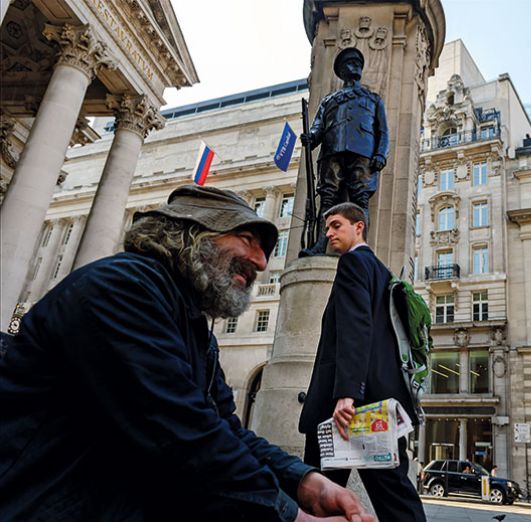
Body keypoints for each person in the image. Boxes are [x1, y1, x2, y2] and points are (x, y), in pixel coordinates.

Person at [0, 185, 374, 522]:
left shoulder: (194, 328)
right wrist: (291, 517)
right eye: (247, 239)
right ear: (193, 236)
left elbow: (225, 428)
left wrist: (305, 481)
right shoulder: (123, 288)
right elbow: (178, 430)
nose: (261, 262)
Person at [298, 202, 425, 522]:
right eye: (327, 227)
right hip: (377, 403)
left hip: (345, 409)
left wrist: (347, 394)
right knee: (393, 495)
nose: (328, 234)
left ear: (359, 227)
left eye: (336, 225)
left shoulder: (354, 263)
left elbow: (356, 328)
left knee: (318, 496)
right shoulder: (382, 271)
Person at [300, 48, 389, 257]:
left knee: (361, 201)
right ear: (342, 70)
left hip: (363, 154)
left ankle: (360, 248)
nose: (356, 66)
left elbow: (383, 131)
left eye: (358, 62)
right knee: (328, 200)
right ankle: (320, 246)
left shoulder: (373, 99)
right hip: (332, 152)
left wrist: (381, 154)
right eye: (350, 63)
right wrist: (311, 138)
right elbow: (317, 127)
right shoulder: (329, 100)